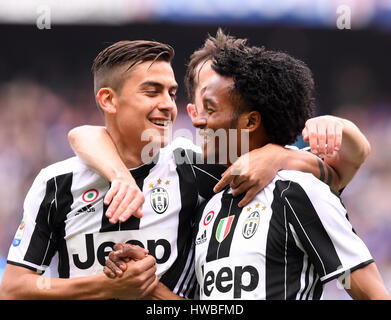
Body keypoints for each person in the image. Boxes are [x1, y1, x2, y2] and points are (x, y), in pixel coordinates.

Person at [71, 32, 378, 299]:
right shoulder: (210, 198)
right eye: (198, 106)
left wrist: (283, 153)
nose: (196, 120)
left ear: (250, 120)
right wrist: (147, 284)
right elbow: (84, 134)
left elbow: (371, 291)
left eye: (210, 107)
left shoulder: (298, 190)